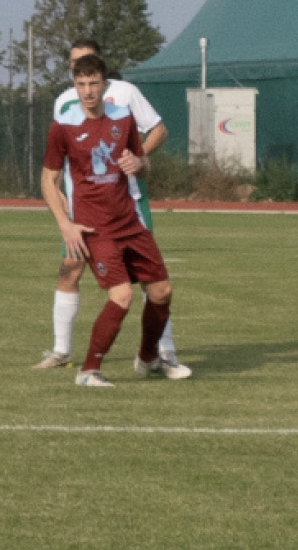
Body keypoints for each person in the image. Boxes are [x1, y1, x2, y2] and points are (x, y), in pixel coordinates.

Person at [36, 39, 189, 377]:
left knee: (162, 291)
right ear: (74, 84)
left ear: (105, 84)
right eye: (81, 84)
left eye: (93, 83)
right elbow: (48, 179)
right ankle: (87, 369)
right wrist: (64, 222)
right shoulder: (63, 122)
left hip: (130, 219)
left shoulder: (124, 116)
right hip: (93, 225)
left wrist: (139, 162)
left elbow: (143, 163)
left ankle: (150, 357)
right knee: (119, 295)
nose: (87, 90)